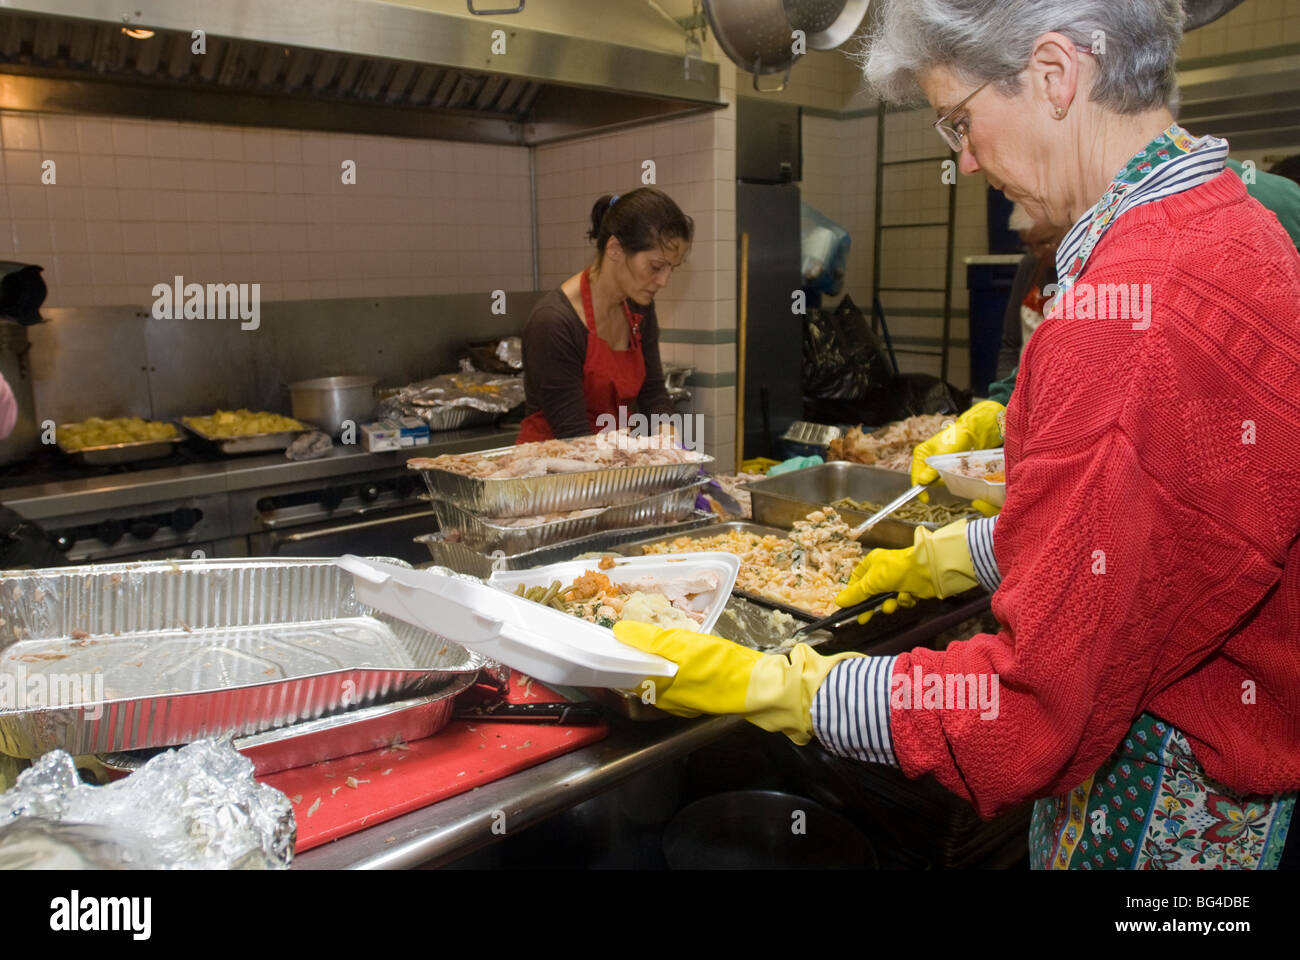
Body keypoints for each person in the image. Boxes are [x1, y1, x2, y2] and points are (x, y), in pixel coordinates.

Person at [615, 0, 1300, 870]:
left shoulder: (1129, 316)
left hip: (1167, 805)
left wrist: (768, 682)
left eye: (960, 121)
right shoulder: (1233, 228)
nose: (967, 159)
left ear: (1055, 75)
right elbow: (1149, 548)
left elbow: (1022, 715)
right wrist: (960, 555)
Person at [517, 188, 691, 442]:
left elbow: (652, 391)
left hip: (609, 465)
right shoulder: (554, 322)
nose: (664, 281)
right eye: (656, 267)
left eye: (671, 269)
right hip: (553, 470)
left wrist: (668, 435)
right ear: (615, 249)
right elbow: (574, 436)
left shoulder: (639, 308)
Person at [995, 205, 1065, 382]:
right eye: (1029, 246)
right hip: (1022, 393)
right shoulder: (1030, 265)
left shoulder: (1089, 271)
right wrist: (1001, 399)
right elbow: (1011, 345)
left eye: (1044, 242)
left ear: (1069, 228)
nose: (1037, 254)